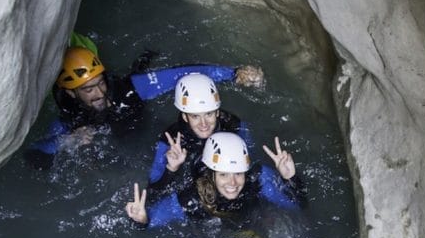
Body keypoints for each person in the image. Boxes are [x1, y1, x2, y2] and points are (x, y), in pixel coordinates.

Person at [25, 46, 264, 168]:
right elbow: (36, 158)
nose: (99, 93)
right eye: (88, 90)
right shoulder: (70, 120)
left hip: (152, 135)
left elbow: (178, 75)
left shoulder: (128, 89)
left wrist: (232, 74)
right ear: (70, 92)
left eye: (100, 84)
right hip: (120, 155)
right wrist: (66, 142)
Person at [125, 132, 305, 228]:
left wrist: (290, 178)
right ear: (211, 175)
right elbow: (154, 220)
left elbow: (297, 205)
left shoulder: (258, 177)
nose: (233, 183)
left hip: (256, 218)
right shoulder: (193, 199)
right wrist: (141, 221)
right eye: (224, 174)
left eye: (238, 173)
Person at [147, 72, 258, 196]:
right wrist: (172, 169)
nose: (203, 124)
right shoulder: (171, 139)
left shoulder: (233, 125)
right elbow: (152, 192)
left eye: (209, 114)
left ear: (217, 113)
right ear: (184, 116)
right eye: (195, 116)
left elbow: (249, 162)